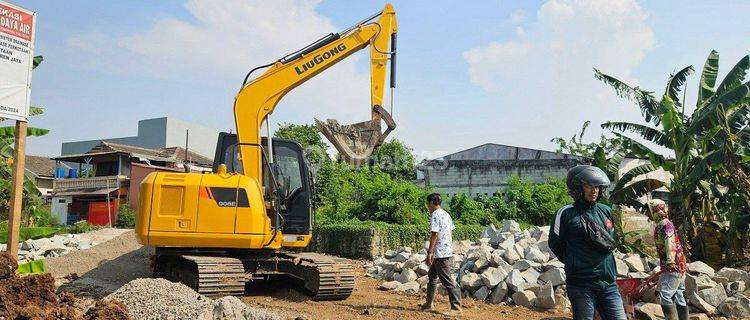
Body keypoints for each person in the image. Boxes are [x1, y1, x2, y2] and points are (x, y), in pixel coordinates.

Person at [549, 165, 626, 320]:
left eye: (597, 186)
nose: (594, 190)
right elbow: (555, 244)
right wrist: (576, 261)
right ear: (577, 188)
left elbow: (611, 240)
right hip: (581, 286)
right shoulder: (565, 213)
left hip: (608, 284)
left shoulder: (605, 211)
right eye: (589, 186)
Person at [420, 193, 462, 315]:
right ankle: (429, 304)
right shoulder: (446, 214)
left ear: (432, 203)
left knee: (447, 280)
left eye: (428, 204)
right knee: (432, 276)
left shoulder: (435, 215)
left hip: (440, 252)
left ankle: (456, 309)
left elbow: (434, 234)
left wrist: (430, 252)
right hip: (445, 250)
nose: (428, 206)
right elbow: (450, 232)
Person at [647, 199, 689, 320]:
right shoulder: (664, 224)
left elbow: (669, 242)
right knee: (679, 293)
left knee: (665, 294)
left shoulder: (665, 224)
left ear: (656, 211)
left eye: (649, 211)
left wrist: (670, 261)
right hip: (679, 264)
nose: (647, 214)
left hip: (673, 265)